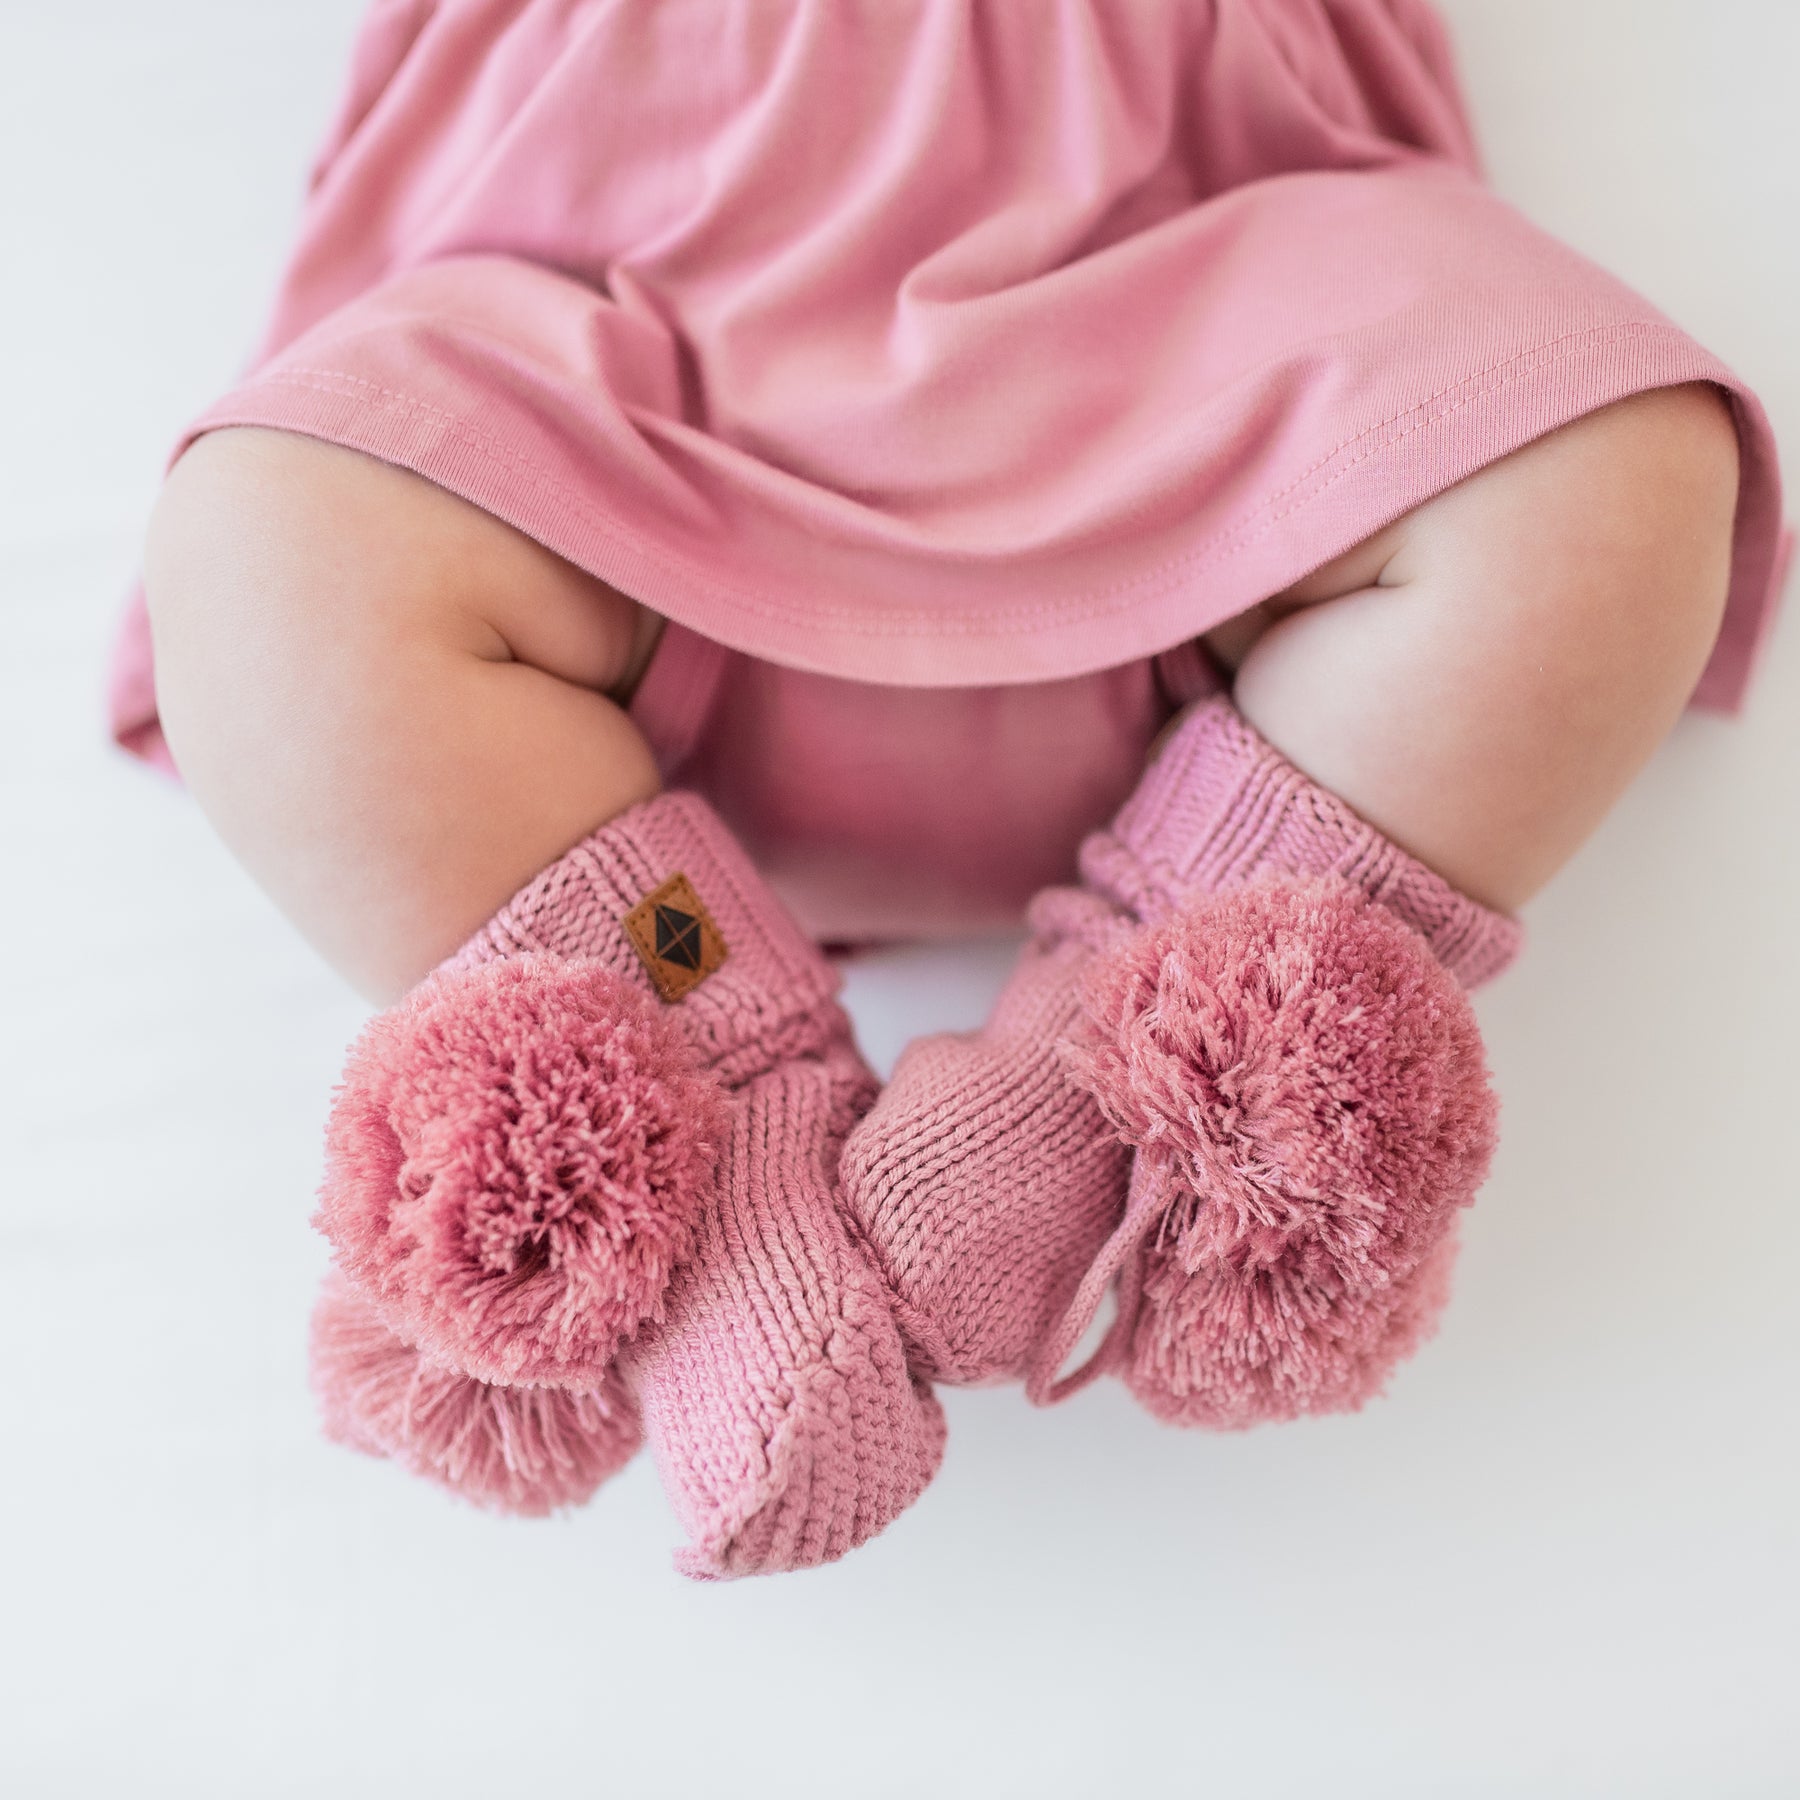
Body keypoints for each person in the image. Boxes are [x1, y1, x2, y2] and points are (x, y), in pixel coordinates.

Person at [113, 0, 1786, 1579]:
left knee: (1618, 467)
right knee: (267, 555)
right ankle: (725, 1140)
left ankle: (1094, 1091)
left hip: (1210, 325)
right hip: (605, 346)